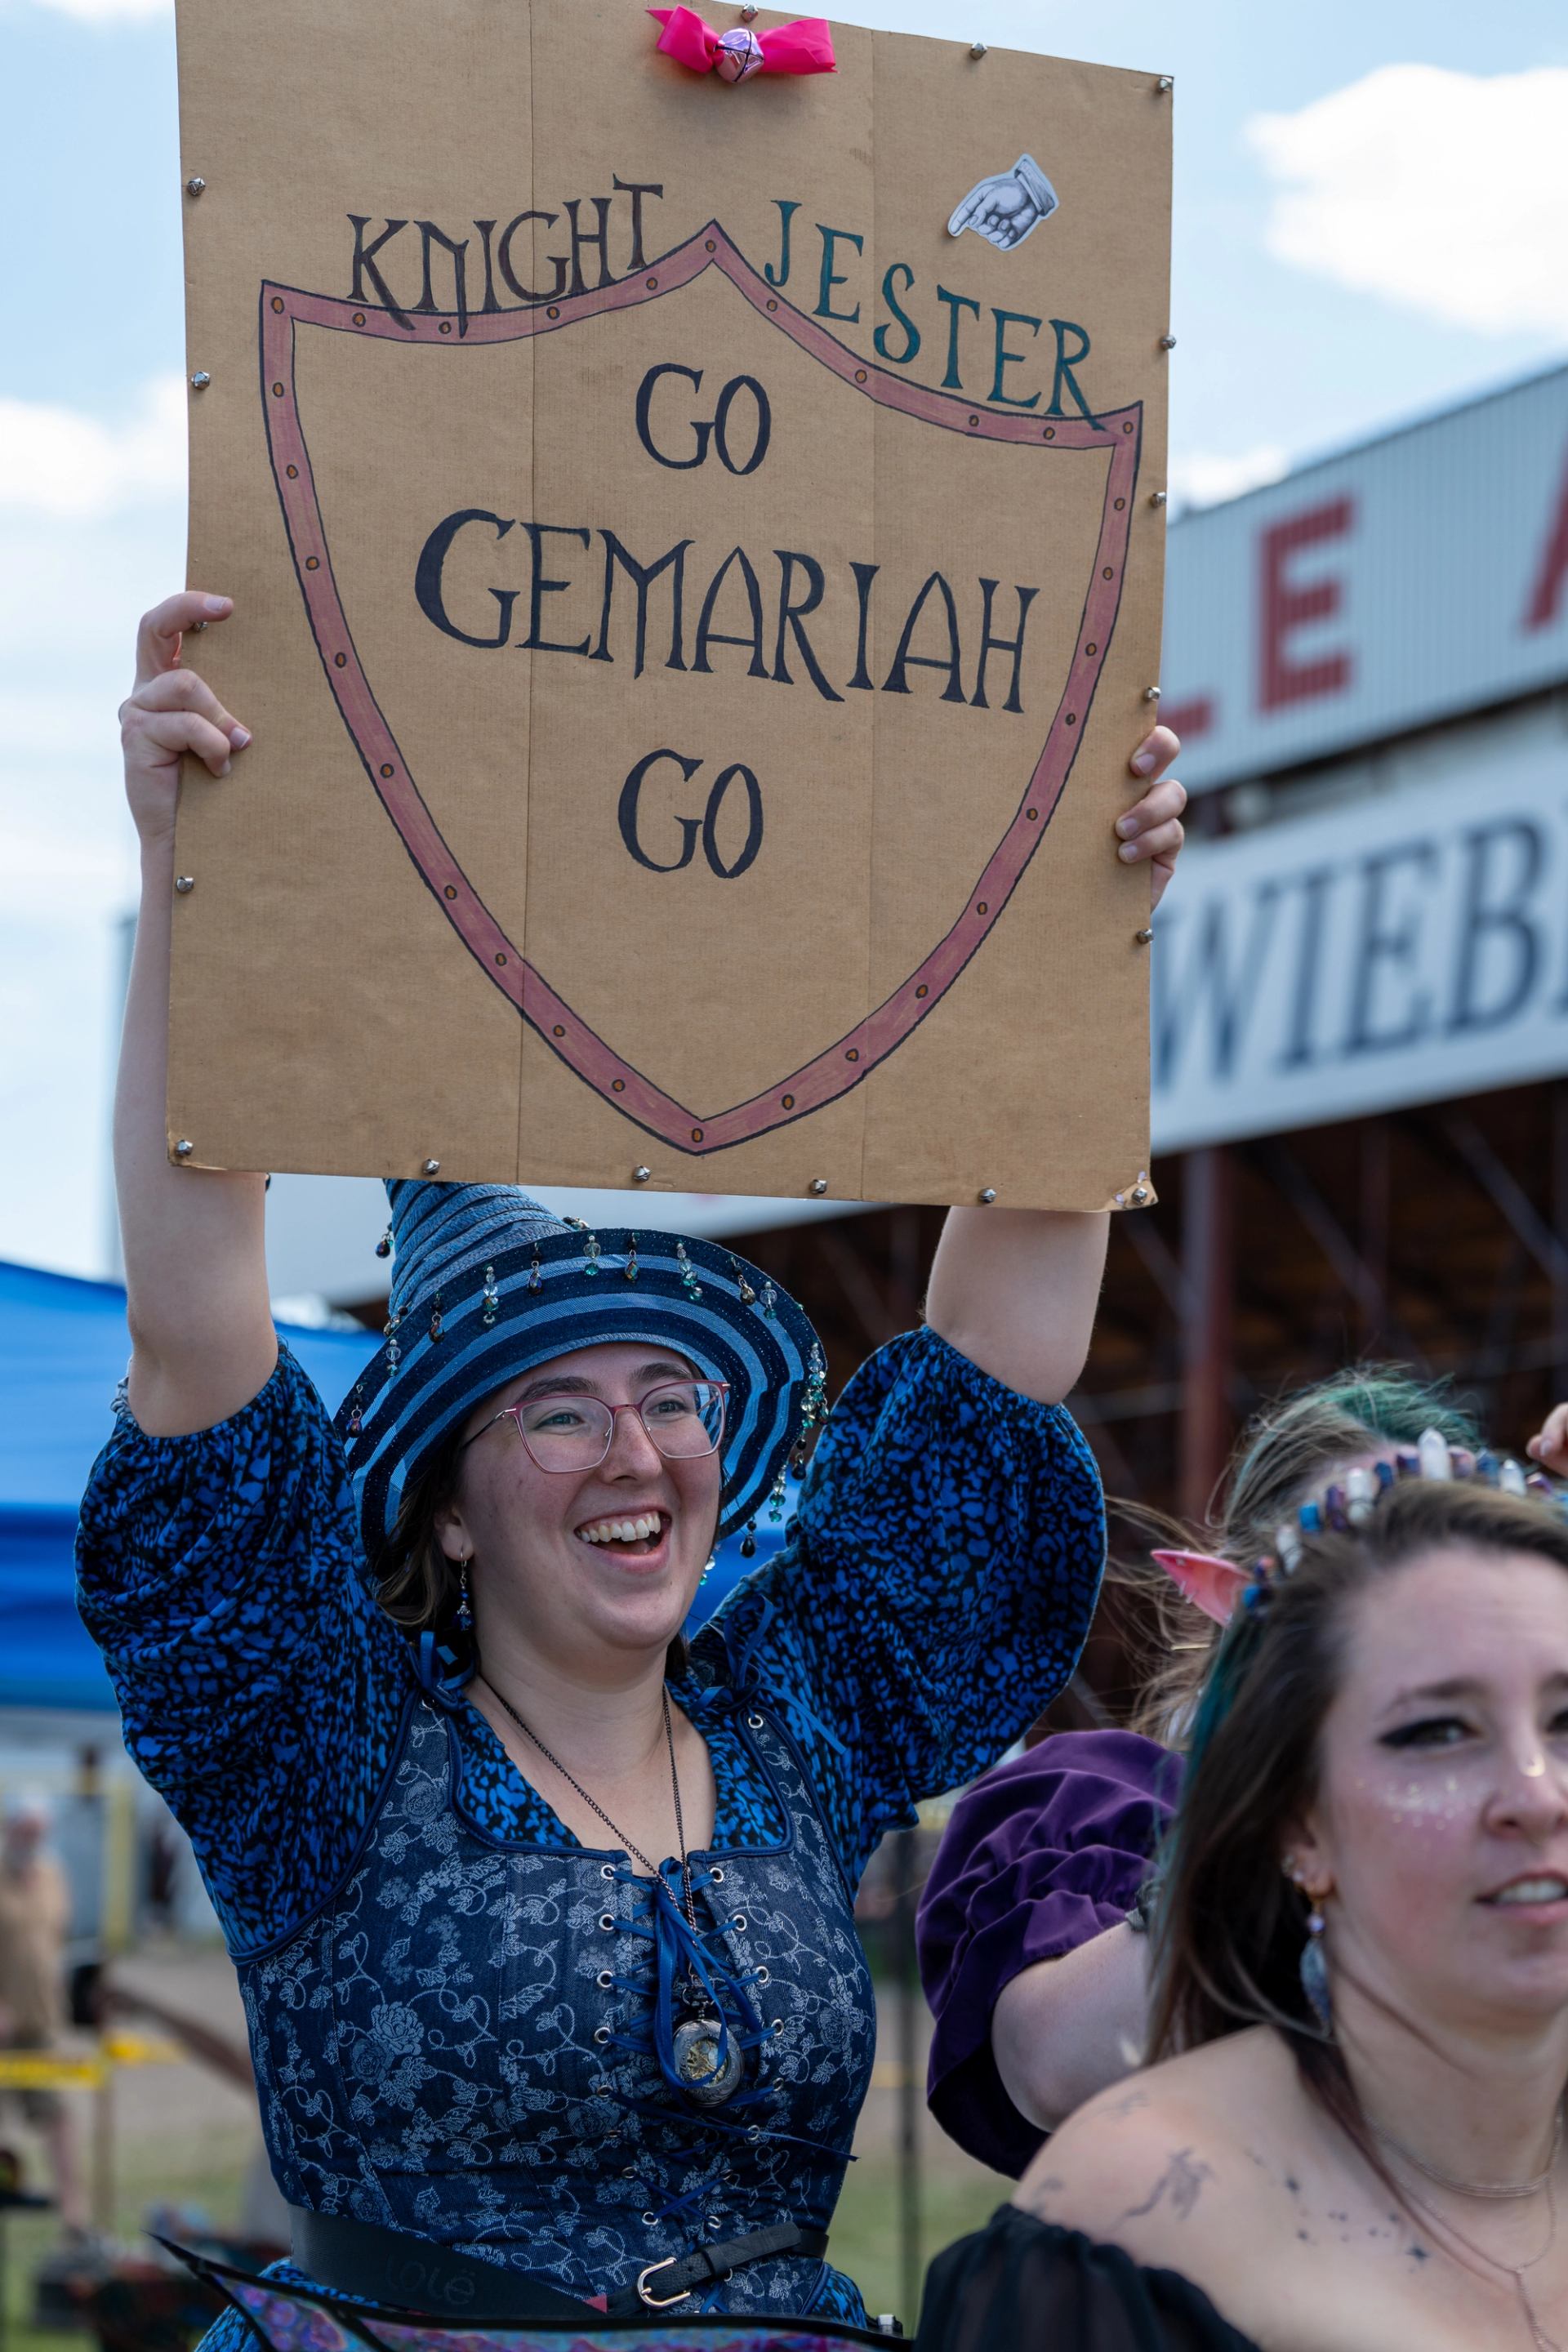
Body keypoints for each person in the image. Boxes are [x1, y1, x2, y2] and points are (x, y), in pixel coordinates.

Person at [75, 589, 1187, 2332]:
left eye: (668, 1396)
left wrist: (1075, 929)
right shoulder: (327, 1741)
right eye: (559, 1409)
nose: (638, 1449)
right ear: (445, 1500)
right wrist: (189, 869)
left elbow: (1001, 1357)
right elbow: (202, 1338)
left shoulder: (801, 1717)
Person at [915, 1452, 1568, 2351]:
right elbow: (1048, 2055)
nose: (1537, 1794)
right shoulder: (1129, 2234)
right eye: (1438, 1731)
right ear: (1297, 1826)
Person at [0, 1790, 87, 2232]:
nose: (30, 1838)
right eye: (23, 1829)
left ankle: (75, 2218)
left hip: (42, 2023)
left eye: (37, 1831)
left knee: (57, 2117)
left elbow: (56, 1942)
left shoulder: (54, 1875)